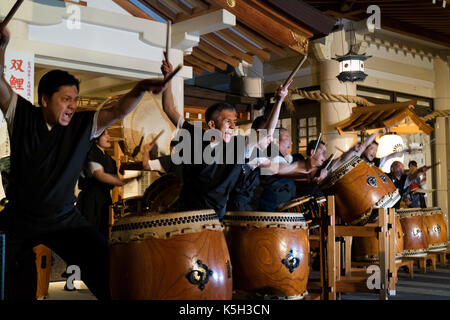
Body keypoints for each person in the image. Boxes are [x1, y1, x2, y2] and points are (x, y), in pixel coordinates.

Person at [0, 26, 168, 300]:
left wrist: (139, 88)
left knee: (108, 267)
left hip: (64, 218)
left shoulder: (81, 124)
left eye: (75, 100)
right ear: (44, 99)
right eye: (66, 99)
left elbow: (117, 111)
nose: (72, 106)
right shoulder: (21, 115)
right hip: (20, 217)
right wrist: (2, 46)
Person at [149, 56, 291, 218]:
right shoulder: (195, 136)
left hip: (217, 216)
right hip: (188, 214)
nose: (233, 126)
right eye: (227, 122)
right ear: (211, 125)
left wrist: (279, 100)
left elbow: (268, 132)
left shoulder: (238, 147)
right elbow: (169, 109)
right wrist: (167, 78)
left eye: (234, 122)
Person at [76, 129, 133, 239]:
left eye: (108, 134)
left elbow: (112, 181)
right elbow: (100, 175)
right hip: (90, 200)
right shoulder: (90, 153)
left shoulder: (110, 160)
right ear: (96, 139)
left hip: (105, 199)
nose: (109, 138)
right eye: (105, 135)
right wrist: (123, 181)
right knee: (89, 235)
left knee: (103, 234)